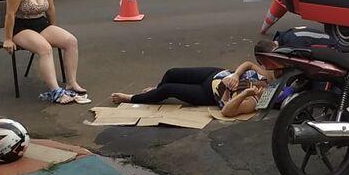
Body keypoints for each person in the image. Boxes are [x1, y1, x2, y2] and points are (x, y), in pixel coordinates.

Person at [4, 0, 88, 104]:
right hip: (21, 26)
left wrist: (54, 27)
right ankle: (55, 91)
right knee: (45, 49)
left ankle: (71, 82)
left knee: (70, 41)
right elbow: (10, 14)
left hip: (41, 23)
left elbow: (50, 8)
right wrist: (8, 38)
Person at [111, 61, 279, 117]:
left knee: (168, 89)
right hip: (215, 74)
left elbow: (227, 111)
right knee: (171, 73)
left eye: (267, 93)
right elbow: (248, 64)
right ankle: (155, 91)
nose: (264, 90)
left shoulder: (252, 101)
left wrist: (244, 93)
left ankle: (132, 98)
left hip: (207, 94)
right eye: (268, 88)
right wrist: (235, 75)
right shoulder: (264, 77)